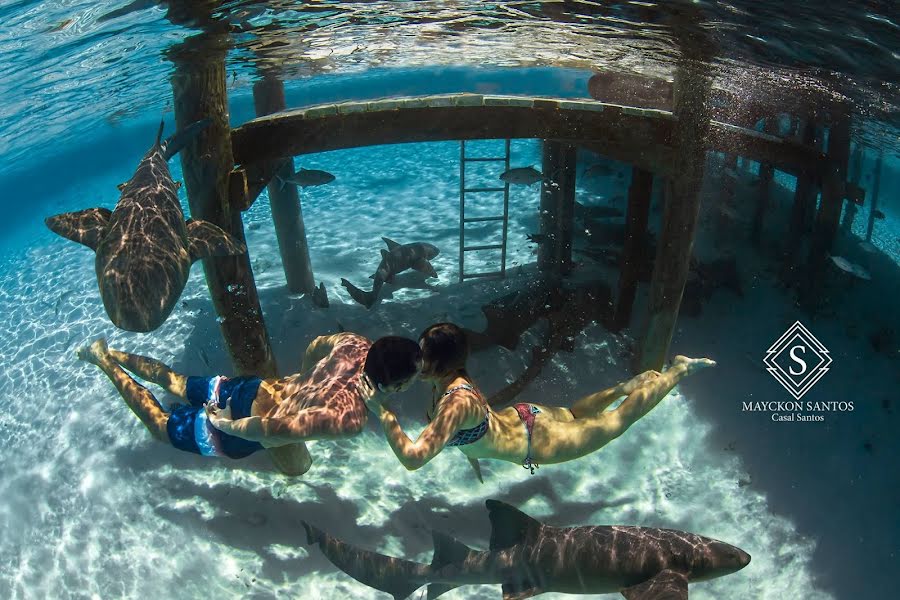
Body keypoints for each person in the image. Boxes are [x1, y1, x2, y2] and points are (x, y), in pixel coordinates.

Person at [362, 322, 715, 473]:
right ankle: (627, 385)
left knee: (620, 419)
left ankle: (677, 370)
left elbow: (413, 458)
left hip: (537, 442)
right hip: (522, 418)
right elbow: (456, 431)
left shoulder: (455, 402)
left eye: (423, 355)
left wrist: (383, 412)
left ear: (440, 363)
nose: (418, 360)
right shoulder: (445, 377)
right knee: (577, 412)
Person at [77, 332, 421, 476]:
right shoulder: (348, 417)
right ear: (400, 384)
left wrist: (301, 378)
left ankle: (111, 351)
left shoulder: (355, 343)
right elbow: (271, 432)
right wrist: (225, 425)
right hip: (238, 428)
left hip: (254, 388)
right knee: (160, 425)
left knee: (176, 382)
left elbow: (317, 344)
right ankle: (102, 360)